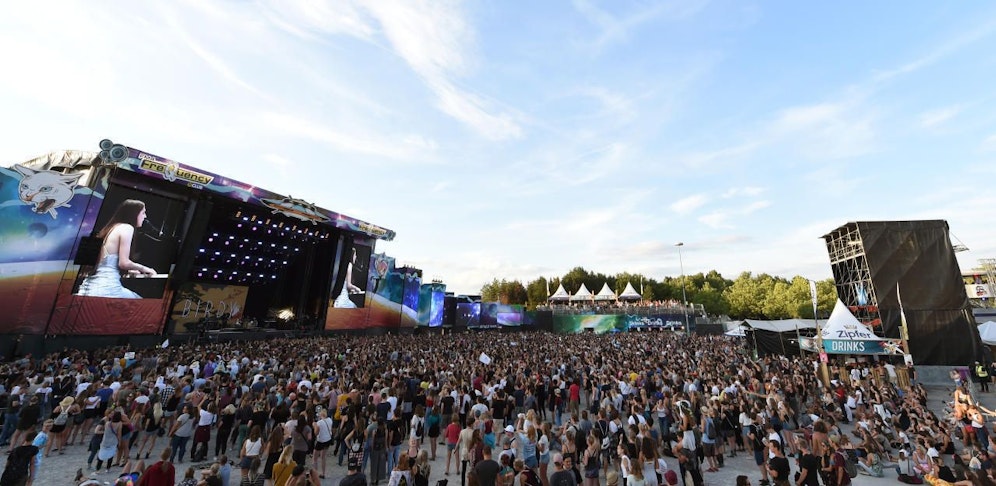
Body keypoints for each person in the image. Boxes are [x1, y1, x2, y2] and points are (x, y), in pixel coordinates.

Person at [76, 199, 156, 298]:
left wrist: (130, 270)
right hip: (107, 289)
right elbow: (124, 263)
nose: (145, 216)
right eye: (143, 213)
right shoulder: (127, 228)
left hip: (88, 288)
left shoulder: (109, 229)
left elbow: (104, 264)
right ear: (133, 213)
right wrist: (145, 269)